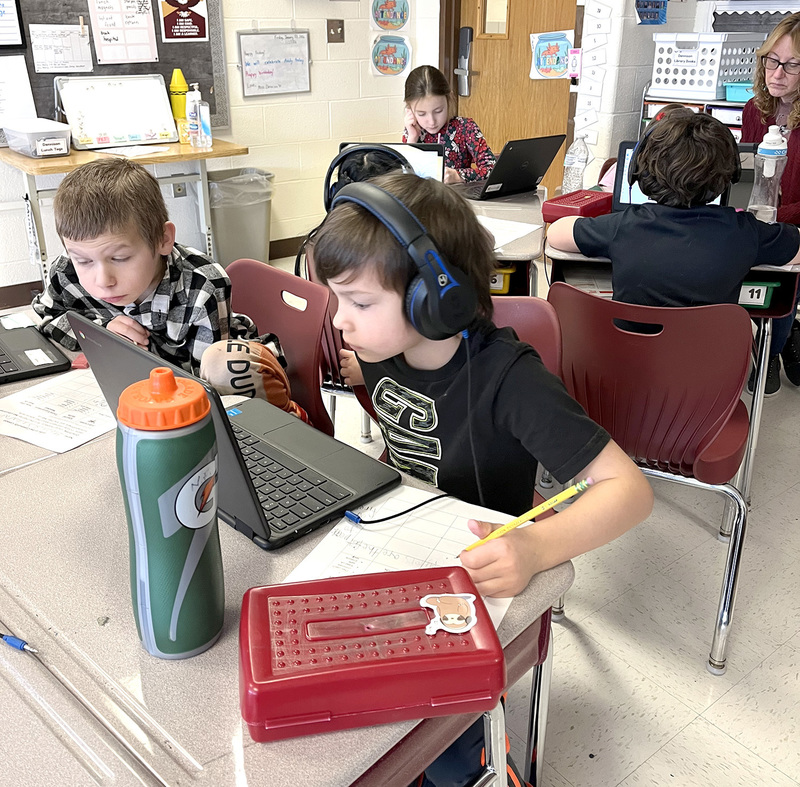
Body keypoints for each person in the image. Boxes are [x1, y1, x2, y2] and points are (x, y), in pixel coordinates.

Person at [310, 171, 653, 787]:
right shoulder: (384, 347)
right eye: (337, 300)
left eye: (358, 303)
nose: (340, 321)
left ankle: (476, 764)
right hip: (404, 543)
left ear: (434, 301)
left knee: (439, 738)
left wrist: (535, 545)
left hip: (484, 569)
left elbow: (630, 491)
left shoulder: (510, 380)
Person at [32, 158, 308, 421]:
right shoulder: (67, 272)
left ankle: (293, 415)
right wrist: (101, 330)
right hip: (142, 381)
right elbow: (45, 317)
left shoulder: (202, 287)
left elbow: (205, 391)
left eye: (120, 258)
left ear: (163, 240)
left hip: (234, 375)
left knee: (224, 366)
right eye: (83, 260)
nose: (103, 280)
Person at [548, 110, 800, 393]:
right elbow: (795, 249)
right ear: (729, 175)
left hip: (618, 392)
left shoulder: (625, 225)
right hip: (707, 394)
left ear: (641, 172)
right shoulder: (744, 231)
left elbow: (556, 234)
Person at [742, 11, 800, 390]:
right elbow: (746, 170)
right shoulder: (755, 109)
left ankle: (775, 344)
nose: (776, 73)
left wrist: (775, 215)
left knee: (779, 283)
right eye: (771, 61)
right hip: (757, 218)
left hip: (791, 226)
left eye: (792, 65)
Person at [403, 64, 496, 184]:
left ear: (448, 100)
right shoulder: (412, 130)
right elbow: (403, 179)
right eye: (421, 114)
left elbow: (492, 169)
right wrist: (412, 140)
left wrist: (458, 176)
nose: (431, 121)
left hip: (458, 198)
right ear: (409, 109)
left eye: (438, 111)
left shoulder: (465, 127)